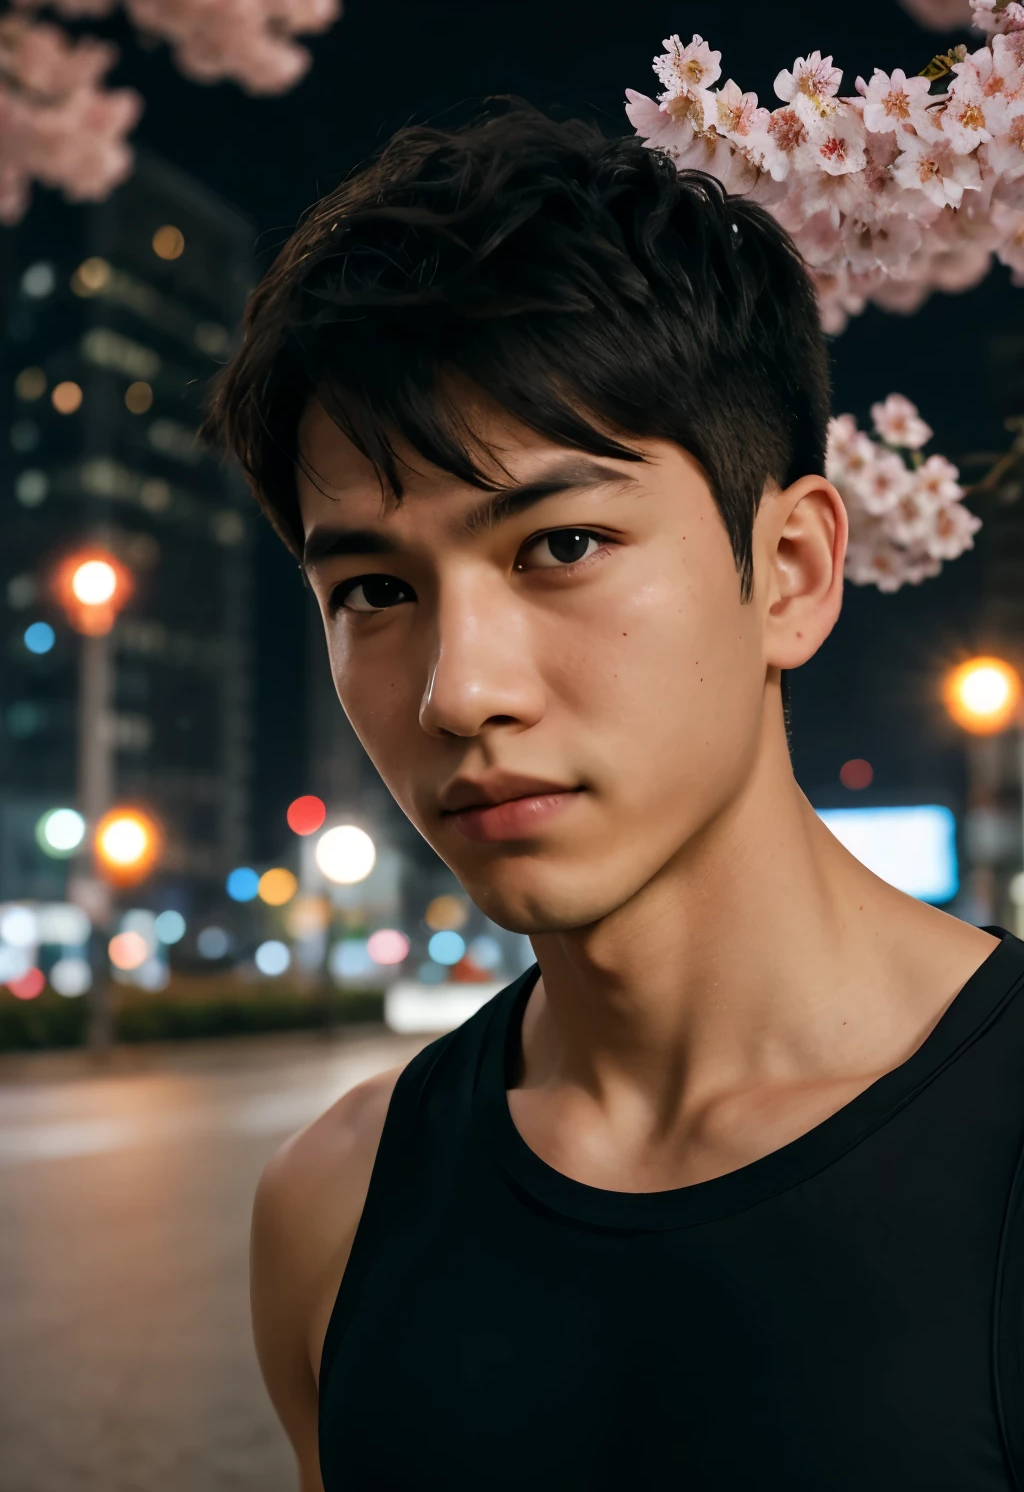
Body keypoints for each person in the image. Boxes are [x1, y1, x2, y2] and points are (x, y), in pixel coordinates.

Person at [202, 102, 1024, 1490]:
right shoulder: (333, 1205)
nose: (459, 690)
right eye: (375, 592)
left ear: (796, 571)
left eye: (561, 544)